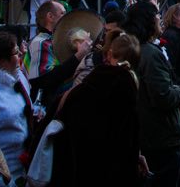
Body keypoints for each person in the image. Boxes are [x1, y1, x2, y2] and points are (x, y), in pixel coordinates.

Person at [51, 32, 146, 184]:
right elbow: (128, 140)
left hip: (80, 169)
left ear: (109, 54)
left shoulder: (87, 85)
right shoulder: (127, 88)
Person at [125, 2, 180, 187]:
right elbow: (162, 96)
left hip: (147, 136)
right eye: (157, 15)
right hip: (161, 138)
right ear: (149, 21)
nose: (160, 19)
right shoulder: (150, 54)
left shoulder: (135, 50)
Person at [0, 30, 32, 187]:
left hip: (24, 170)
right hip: (2, 177)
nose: (22, 52)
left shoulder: (19, 78)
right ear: (3, 61)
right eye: (16, 52)